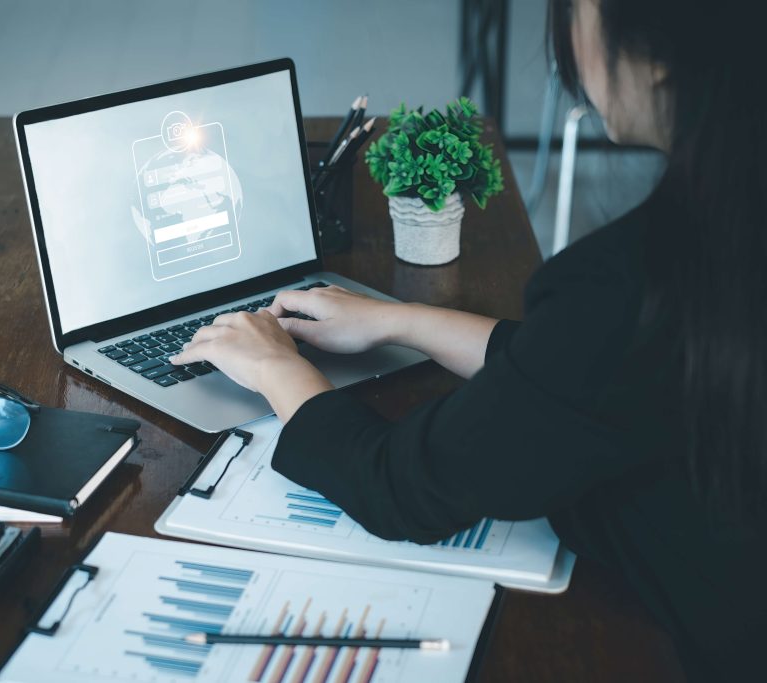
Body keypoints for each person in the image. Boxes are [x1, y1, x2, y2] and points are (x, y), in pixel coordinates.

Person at [170, 0, 765, 678]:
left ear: (659, 54)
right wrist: (398, 319)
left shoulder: (640, 279)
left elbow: (397, 486)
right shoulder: (722, 235)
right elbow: (579, 370)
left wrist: (276, 365)